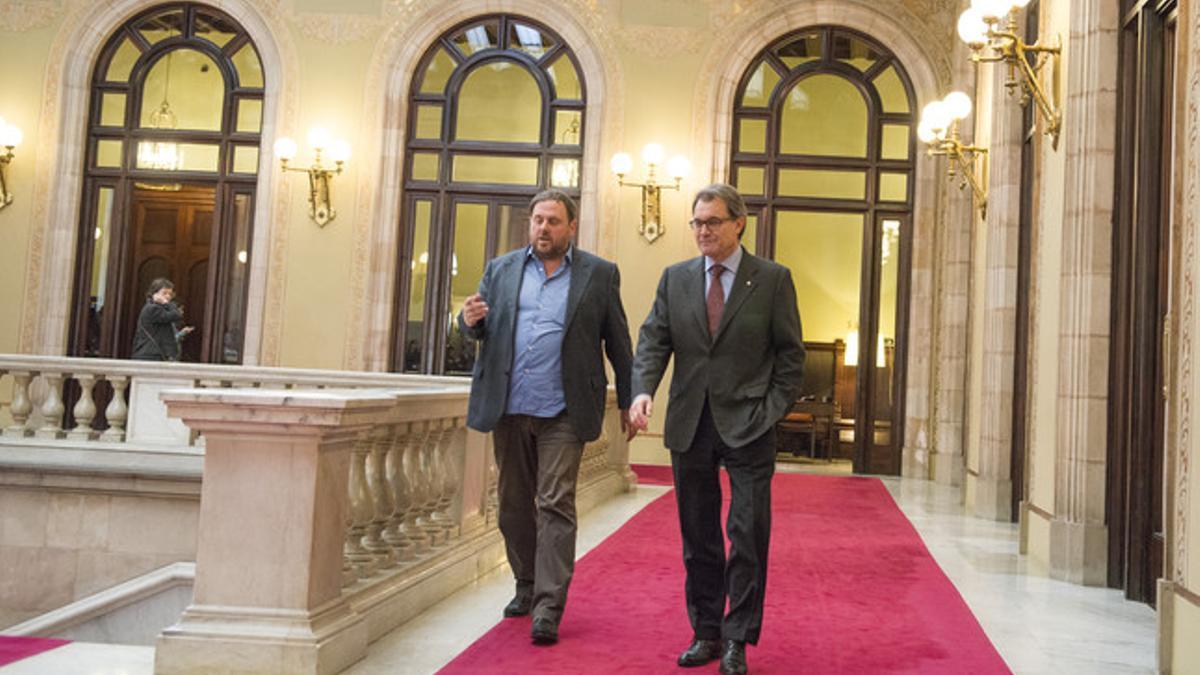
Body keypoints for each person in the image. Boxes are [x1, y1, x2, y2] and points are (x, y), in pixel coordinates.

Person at [629, 183, 804, 675]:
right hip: (691, 424)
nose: (703, 231)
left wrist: (769, 410)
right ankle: (705, 631)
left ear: (738, 223)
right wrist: (643, 390)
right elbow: (653, 340)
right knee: (698, 536)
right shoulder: (676, 278)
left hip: (749, 425)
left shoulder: (771, 280)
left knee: (747, 534)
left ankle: (737, 639)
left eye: (712, 222)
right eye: (697, 223)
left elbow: (791, 358)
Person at [457, 189, 635, 645]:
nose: (543, 228)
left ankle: (548, 606)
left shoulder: (598, 274)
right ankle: (526, 583)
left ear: (571, 227)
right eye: (537, 220)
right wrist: (469, 320)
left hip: (564, 410)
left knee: (555, 503)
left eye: (553, 221)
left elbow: (618, 343)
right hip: (510, 407)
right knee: (514, 506)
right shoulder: (501, 270)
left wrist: (633, 401)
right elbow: (479, 328)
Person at [131, 278, 193, 361]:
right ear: (154, 294)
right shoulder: (153, 308)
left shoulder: (158, 308)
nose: (168, 296)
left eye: (170, 294)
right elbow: (176, 315)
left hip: (154, 353)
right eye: (164, 293)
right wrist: (167, 303)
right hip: (151, 354)